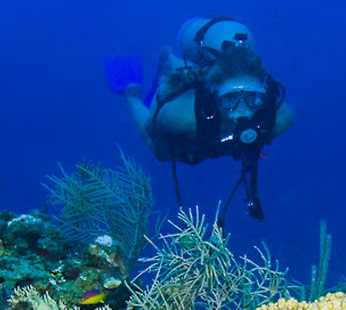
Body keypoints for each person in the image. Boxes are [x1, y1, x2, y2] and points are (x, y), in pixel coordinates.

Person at [106, 17, 294, 224]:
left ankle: (177, 62)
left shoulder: (280, 118)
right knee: (161, 153)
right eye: (230, 99)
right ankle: (139, 89)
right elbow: (153, 136)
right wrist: (142, 97)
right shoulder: (179, 117)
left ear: (264, 96)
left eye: (253, 99)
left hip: (215, 130)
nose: (242, 111)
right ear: (215, 96)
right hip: (185, 123)